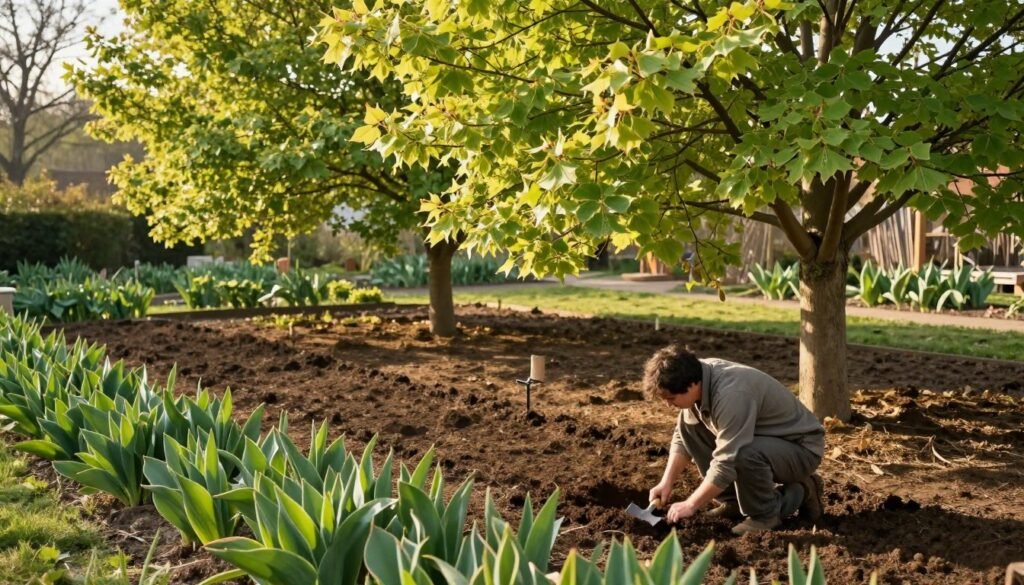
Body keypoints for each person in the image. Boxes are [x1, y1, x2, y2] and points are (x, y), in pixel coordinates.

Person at [644, 345, 825, 535]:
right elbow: (683, 438)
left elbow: (727, 460)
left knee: (743, 453)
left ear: (692, 384)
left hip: (801, 448)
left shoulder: (731, 394)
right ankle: (734, 502)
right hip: (764, 439)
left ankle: (771, 510)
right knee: (690, 427)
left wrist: (691, 504)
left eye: (671, 398)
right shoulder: (696, 377)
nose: (668, 404)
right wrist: (666, 483)